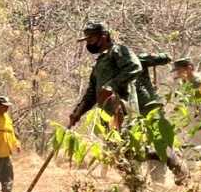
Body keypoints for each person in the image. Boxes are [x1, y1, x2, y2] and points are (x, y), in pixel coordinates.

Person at [68, 23, 142, 131]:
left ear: (103, 38)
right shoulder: (99, 62)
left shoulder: (117, 50)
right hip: (107, 118)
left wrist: (111, 86)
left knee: (127, 145)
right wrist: (78, 112)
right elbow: (91, 93)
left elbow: (134, 67)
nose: (88, 43)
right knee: (112, 146)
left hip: (124, 114)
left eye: (90, 39)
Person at [137, 53, 172, 182]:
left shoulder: (137, 58)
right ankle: (136, 184)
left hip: (151, 110)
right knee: (136, 148)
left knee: (157, 145)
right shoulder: (110, 67)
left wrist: (151, 57)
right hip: (132, 114)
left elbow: (165, 57)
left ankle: (159, 182)